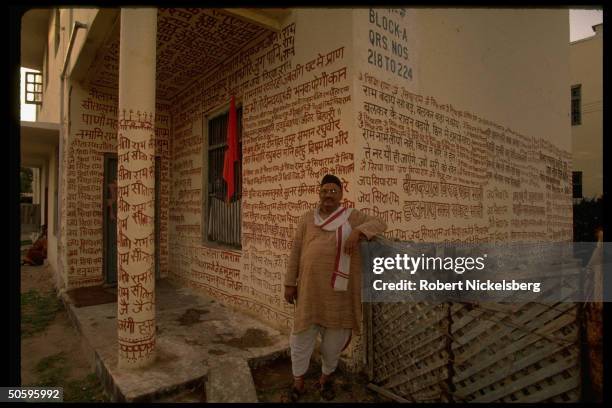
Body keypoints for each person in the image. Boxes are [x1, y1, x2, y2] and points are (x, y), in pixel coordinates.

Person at [281, 174, 387, 401]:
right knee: (300, 339)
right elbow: (296, 251)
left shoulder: (351, 216)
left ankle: (325, 380)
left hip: (339, 295)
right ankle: (298, 382)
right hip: (310, 291)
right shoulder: (307, 219)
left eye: (333, 191)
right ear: (319, 193)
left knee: (333, 344)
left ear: (341, 195)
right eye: (324, 191)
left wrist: (358, 232)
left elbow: (380, 223)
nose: (328, 195)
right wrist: (290, 283)